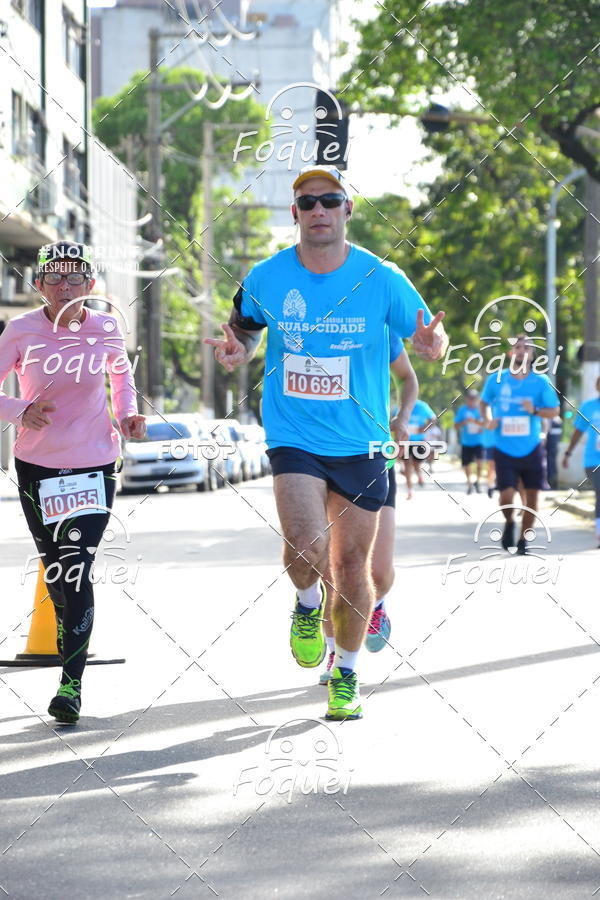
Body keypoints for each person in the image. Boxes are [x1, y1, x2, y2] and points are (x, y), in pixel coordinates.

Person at [205, 165, 447, 720]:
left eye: (330, 200)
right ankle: (306, 603)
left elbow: (428, 335)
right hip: (294, 434)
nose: (319, 210)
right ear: (295, 213)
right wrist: (239, 350)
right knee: (303, 547)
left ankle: (346, 675)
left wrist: (435, 344)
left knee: (354, 565)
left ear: (347, 210)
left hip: (363, 441)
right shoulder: (266, 277)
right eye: (308, 202)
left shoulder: (382, 278)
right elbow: (243, 327)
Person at [0, 242, 145, 723]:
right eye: (55, 277)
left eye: (76, 277)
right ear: (39, 284)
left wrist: (127, 416)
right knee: (57, 574)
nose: (65, 285)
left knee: (75, 568)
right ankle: (68, 647)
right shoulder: (20, 330)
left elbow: (121, 381)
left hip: (94, 464)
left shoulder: (106, 327)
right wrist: (20, 410)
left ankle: (70, 685)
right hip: (37, 467)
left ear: (91, 284)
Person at [319, 336, 419, 684]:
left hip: (372, 456)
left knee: (376, 572)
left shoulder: (377, 326)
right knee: (332, 571)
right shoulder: (306, 328)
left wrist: (402, 419)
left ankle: (376, 603)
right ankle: (336, 654)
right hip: (317, 453)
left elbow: (408, 377)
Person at [480, 335, 559, 555]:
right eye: (517, 347)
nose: (522, 351)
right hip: (504, 447)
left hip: (532, 447)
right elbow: (484, 403)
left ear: (532, 355)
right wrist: (487, 419)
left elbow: (554, 410)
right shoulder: (497, 379)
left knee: (532, 496)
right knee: (506, 496)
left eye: (526, 348)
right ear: (510, 353)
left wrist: (535, 410)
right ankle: (509, 521)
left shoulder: (541, 381)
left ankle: (524, 540)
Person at [562, 377, 600, 546]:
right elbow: (577, 432)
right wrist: (568, 453)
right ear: (597, 386)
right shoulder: (588, 407)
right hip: (593, 460)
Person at [404, 397, 436, 496]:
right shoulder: (402, 405)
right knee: (407, 464)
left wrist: (424, 428)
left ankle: (419, 475)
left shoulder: (422, 406)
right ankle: (410, 490)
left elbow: (433, 419)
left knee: (416, 464)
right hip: (405, 440)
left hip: (419, 441)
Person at [454, 388, 484, 494]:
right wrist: (464, 422)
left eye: (474, 398)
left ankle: (478, 482)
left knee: (480, 463)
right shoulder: (462, 410)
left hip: (479, 441)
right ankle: (469, 483)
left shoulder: (481, 409)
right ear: (467, 399)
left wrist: (481, 427)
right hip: (466, 442)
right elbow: (455, 426)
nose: (472, 400)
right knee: (467, 464)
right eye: (470, 398)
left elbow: (487, 423)